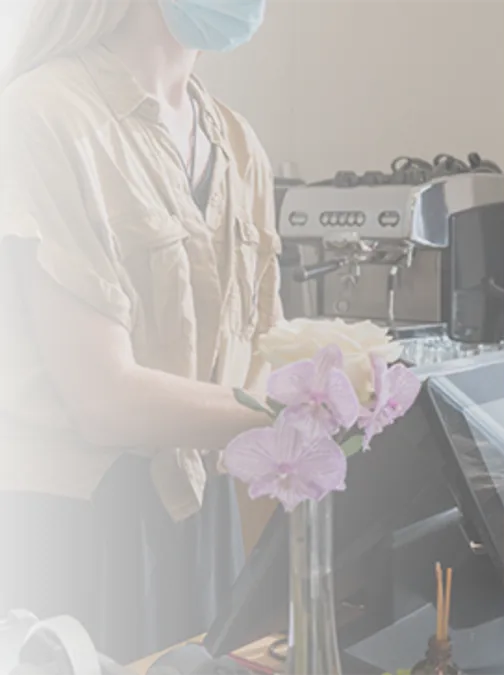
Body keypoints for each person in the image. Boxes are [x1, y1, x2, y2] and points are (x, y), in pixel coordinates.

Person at [0, 0, 280, 662]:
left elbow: (265, 346)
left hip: (200, 514)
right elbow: (104, 401)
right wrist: (291, 416)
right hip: (77, 528)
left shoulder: (238, 145)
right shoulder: (43, 116)